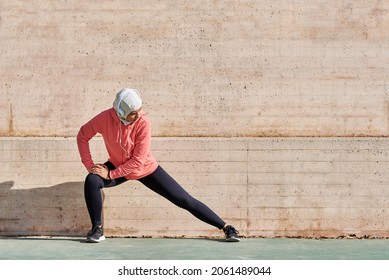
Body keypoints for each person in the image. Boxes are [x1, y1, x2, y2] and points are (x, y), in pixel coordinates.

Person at [77, 88, 240, 243]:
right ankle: (97, 230)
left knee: (184, 199)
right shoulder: (105, 118)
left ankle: (226, 227)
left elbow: (138, 161)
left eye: (140, 110)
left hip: (145, 169)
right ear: (121, 113)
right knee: (92, 180)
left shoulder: (143, 123)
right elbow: (83, 135)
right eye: (133, 113)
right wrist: (90, 166)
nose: (139, 115)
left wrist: (111, 175)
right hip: (117, 164)